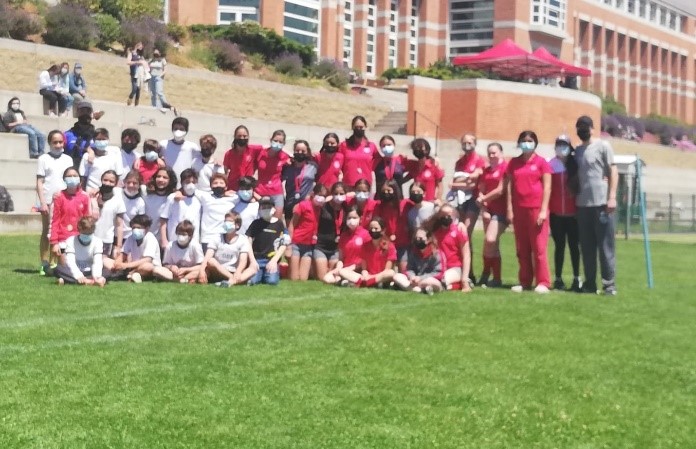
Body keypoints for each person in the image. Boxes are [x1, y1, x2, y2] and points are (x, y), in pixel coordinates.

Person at [574, 115, 618, 295]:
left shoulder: (603, 146)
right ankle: (590, 283)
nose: (582, 130)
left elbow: (613, 170)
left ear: (593, 129)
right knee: (586, 247)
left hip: (601, 204)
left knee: (605, 247)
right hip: (582, 205)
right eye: (579, 127)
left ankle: (609, 285)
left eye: (585, 127)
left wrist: (612, 196)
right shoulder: (576, 151)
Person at [504, 130, 552, 293]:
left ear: (535, 143)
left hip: (536, 209)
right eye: (524, 140)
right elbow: (509, 186)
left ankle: (543, 282)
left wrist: (543, 210)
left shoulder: (542, 163)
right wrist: (510, 208)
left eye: (530, 140)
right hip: (519, 210)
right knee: (522, 248)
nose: (527, 143)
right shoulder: (513, 163)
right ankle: (525, 281)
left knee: (538, 248)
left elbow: (547, 187)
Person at [36, 130, 74, 275]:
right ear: (50, 143)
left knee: (58, 231)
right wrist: (43, 202)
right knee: (46, 231)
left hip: (63, 200)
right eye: (55, 142)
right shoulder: (43, 159)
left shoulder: (68, 159)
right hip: (47, 199)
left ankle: (54, 262)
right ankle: (44, 262)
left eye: (60, 142)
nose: (58, 145)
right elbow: (39, 182)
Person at [549, 135, 582, 291]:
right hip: (556, 215)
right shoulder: (551, 164)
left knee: (574, 247)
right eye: (559, 144)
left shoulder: (575, 165)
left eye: (565, 145)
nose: (562, 147)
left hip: (573, 215)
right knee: (559, 246)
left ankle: (577, 278)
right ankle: (558, 278)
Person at [452, 132, 487, 282]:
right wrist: (464, 181)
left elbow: (473, 184)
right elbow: (459, 181)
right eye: (464, 143)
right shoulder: (460, 162)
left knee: (465, 232)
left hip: (473, 199)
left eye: (470, 143)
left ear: (475, 143)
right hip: (460, 199)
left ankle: (469, 273)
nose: (467, 146)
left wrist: (458, 182)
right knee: (462, 234)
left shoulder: (479, 160)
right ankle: (467, 271)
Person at [476, 142, 508, 288]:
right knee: (491, 244)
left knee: (490, 240)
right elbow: (481, 189)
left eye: (494, 152)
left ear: (501, 153)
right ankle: (496, 279)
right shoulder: (486, 170)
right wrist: (483, 207)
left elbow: (501, 190)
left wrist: (484, 199)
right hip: (488, 211)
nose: (492, 155)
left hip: (501, 211)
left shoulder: (505, 168)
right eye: (489, 153)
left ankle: (486, 273)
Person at [198, 211, 257, 286]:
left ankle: (231, 282)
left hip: (233, 270)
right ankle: (236, 280)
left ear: (237, 225)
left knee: (253, 268)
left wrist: (238, 272)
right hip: (217, 271)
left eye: (230, 222)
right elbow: (208, 256)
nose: (227, 224)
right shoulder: (217, 237)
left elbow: (243, 260)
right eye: (225, 221)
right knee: (211, 261)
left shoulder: (243, 239)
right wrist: (202, 270)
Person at [336, 217, 396, 288]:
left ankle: (365, 283)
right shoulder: (365, 246)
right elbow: (364, 269)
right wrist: (366, 275)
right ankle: (372, 283)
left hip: (381, 276)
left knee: (390, 273)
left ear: (383, 230)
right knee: (342, 271)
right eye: (371, 228)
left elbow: (387, 270)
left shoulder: (390, 246)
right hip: (367, 276)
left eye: (376, 229)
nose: (373, 230)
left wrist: (371, 277)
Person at [424, 205, 472, 292]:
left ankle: (458, 283)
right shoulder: (435, 232)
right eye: (443, 215)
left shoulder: (458, 230)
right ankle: (452, 286)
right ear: (439, 216)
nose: (446, 217)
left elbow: (466, 255)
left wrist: (465, 278)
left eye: (449, 215)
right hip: (439, 267)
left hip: (455, 268)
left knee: (442, 279)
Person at [49, 166, 91, 259]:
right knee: (66, 266)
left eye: (74, 175)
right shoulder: (59, 197)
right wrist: (54, 242)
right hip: (63, 240)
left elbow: (87, 221)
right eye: (69, 176)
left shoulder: (85, 197)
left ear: (79, 178)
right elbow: (55, 221)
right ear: (64, 179)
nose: (72, 178)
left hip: (79, 240)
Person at [246, 196, 290, 286]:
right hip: (257, 260)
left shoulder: (279, 224)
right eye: (263, 207)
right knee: (253, 281)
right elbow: (248, 240)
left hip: (272, 260)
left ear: (274, 208)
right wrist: (252, 261)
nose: (266, 209)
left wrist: (274, 260)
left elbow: (284, 243)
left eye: (268, 207)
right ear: (259, 209)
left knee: (272, 282)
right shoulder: (255, 223)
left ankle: (275, 271)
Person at [106, 213, 161, 283]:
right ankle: (131, 274)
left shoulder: (150, 238)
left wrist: (126, 265)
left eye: (138, 228)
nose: (135, 230)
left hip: (150, 267)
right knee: (107, 261)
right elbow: (123, 254)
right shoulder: (130, 238)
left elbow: (148, 259)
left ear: (147, 228)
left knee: (147, 266)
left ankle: (130, 274)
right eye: (133, 228)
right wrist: (117, 263)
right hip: (133, 265)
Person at [322, 206, 370, 285]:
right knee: (327, 278)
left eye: (354, 217)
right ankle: (347, 281)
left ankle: (361, 281)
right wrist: (338, 268)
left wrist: (351, 268)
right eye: (349, 218)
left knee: (342, 273)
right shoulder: (344, 236)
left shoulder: (366, 234)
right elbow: (341, 258)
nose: (352, 220)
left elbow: (367, 259)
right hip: (344, 268)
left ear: (360, 219)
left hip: (358, 268)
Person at [288, 184, 326, 281]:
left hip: (308, 246)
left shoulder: (320, 208)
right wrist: (288, 245)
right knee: (294, 278)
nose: (322, 198)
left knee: (303, 279)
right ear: (313, 194)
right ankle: (284, 268)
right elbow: (292, 224)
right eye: (320, 195)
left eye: (324, 196)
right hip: (296, 243)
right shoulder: (303, 205)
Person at [54, 216, 107, 287]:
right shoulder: (71, 241)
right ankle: (90, 282)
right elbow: (70, 262)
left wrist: (96, 276)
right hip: (75, 270)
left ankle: (66, 280)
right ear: (79, 230)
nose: (87, 235)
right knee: (58, 269)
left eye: (89, 233)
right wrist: (78, 275)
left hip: (90, 271)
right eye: (85, 233)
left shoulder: (98, 242)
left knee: (107, 271)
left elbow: (97, 261)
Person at [373, 179, 411, 272]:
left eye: (389, 190)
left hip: (402, 243)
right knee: (386, 270)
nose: (386, 193)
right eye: (384, 191)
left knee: (404, 271)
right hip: (387, 244)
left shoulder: (405, 204)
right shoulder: (379, 206)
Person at [392, 228, 444, 295]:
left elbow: (439, 273)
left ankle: (414, 289)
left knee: (433, 283)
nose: (418, 240)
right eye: (416, 238)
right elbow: (409, 269)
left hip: (429, 280)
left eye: (420, 238)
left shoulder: (437, 254)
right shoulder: (413, 252)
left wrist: (421, 278)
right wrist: (412, 277)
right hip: (414, 280)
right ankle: (419, 290)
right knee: (397, 276)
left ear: (428, 239)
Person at [160, 168, 202, 248]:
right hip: (174, 242)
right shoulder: (172, 198)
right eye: (187, 182)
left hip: (193, 243)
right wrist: (164, 240)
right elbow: (163, 220)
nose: (191, 185)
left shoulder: (199, 199)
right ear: (182, 183)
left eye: (193, 182)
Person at [313, 182, 347, 281]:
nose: (338, 196)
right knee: (322, 277)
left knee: (333, 275)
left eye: (341, 194)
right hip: (321, 246)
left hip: (335, 249)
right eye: (336, 193)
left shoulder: (346, 208)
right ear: (331, 194)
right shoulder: (323, 207)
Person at [198, 173, 238, 252]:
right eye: (215, 183)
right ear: (211, 186)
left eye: (221, 183)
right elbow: (188, 190)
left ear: (226, 187)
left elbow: (248, 195)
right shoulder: (205, 196)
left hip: (224, 238)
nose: (218, 185)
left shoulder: (234, 198)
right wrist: (179, 192)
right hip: (207, 238)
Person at [255, 130, 290, 217]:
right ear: (271, 140)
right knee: (258, 220)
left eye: (280, 142)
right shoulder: (261, 152)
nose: (277, 143)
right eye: (275, 140)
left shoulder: (285, 156)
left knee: (276, 221)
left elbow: (295, 158)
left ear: (284, 143)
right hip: (260, 191)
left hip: (276, 192)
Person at [281, 139, 318, 221]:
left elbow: (319, 181)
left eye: (303, 151)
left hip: (306, 205)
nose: (300, 153)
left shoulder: (313, 166)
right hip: (290, 204)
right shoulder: (287, 167)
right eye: (297, 150)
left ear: (307, 152)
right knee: (290, 231)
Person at [338, 115, 379, 188]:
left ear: (365, 127)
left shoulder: (371, 146)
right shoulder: (344, 145)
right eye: (356, 127)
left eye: (361, 127)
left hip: (365, 185)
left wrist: (370, 168)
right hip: (348, 184)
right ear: (352, 128)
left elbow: (378, 159)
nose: (359, 129)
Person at [92, 170, 125, 258]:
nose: (107, 183)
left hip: (106, 240)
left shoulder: (118, 200)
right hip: (90, 237)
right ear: (101, 180)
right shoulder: (92, 195)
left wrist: (118, 246)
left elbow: (119, 225)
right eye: (105, 180)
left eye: (111, 181)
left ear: (116, 183)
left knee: (103, 265)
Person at [159, 117, 200, 184]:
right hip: (167, 183)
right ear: (172, 130)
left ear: (186, 131)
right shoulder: (163, 144)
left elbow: (202, 159)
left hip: (184, 183)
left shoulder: (192, 146)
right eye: (176, 129)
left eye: (181, 129)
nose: (178, 131)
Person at [223, 125, 264, 191]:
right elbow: (225, 172)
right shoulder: (229, 154)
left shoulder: (254, 150)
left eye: (245, 136)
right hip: (232, 187)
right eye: (239, 136)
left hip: (247, 187)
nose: (242, 138)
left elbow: (269, 149)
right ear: (235, 137)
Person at [403, 138, 444, 202]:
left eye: (420, 147)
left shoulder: (434, 165)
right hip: (417, 202)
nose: (417, 150)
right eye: (415, 148)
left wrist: (438, 200)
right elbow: (403, 180)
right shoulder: (414, 167)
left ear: (427, 150)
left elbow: (440, 186)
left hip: (430, 202)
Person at [144, 167, 177, 243]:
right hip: (147, 236)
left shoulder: (172, 198)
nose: (161, 180)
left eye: (165, 177)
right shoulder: (146, 194)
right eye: (158, 176)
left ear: (170, 181)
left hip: (164, 239)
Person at [64, 101, 97, 168]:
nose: (85, 114)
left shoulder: (97, 136)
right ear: (77, 113)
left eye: (88, 111)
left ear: (92, 114)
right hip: (71, 171)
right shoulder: (67, 135)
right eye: (82, 111)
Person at [148, 49, 178, 114]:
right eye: (154, 52)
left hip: (158, 77)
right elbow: (148, 66)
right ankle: (154, 106)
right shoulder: (151, 59)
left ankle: (165, 104)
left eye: (157, 52)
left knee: (159, 92)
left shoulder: (162, 60)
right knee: (153, 93)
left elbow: (165, 69)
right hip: (152, 77)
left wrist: (161, 75)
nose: (155, 53)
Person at [121, 171, 146, 240]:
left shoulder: (140, 202)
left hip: (130, 236)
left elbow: (140, 223)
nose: (131, 185)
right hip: (115, 233)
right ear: (124, 182)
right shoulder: (118, 194)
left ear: (139, 185)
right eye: (128, 182)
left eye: (134, 183)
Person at [126, 42, 146, 106]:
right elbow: (128, 62)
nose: (141, 49)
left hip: (140, 74)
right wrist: (136, 62)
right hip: (133, 73)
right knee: (134, 88)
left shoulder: (141, 56)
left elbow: (144, 63)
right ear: (136, 46)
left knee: (138, 90)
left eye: (141, 48)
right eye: (140, 47)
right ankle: (129, 100)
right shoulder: (131, 53)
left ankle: (136, 104)